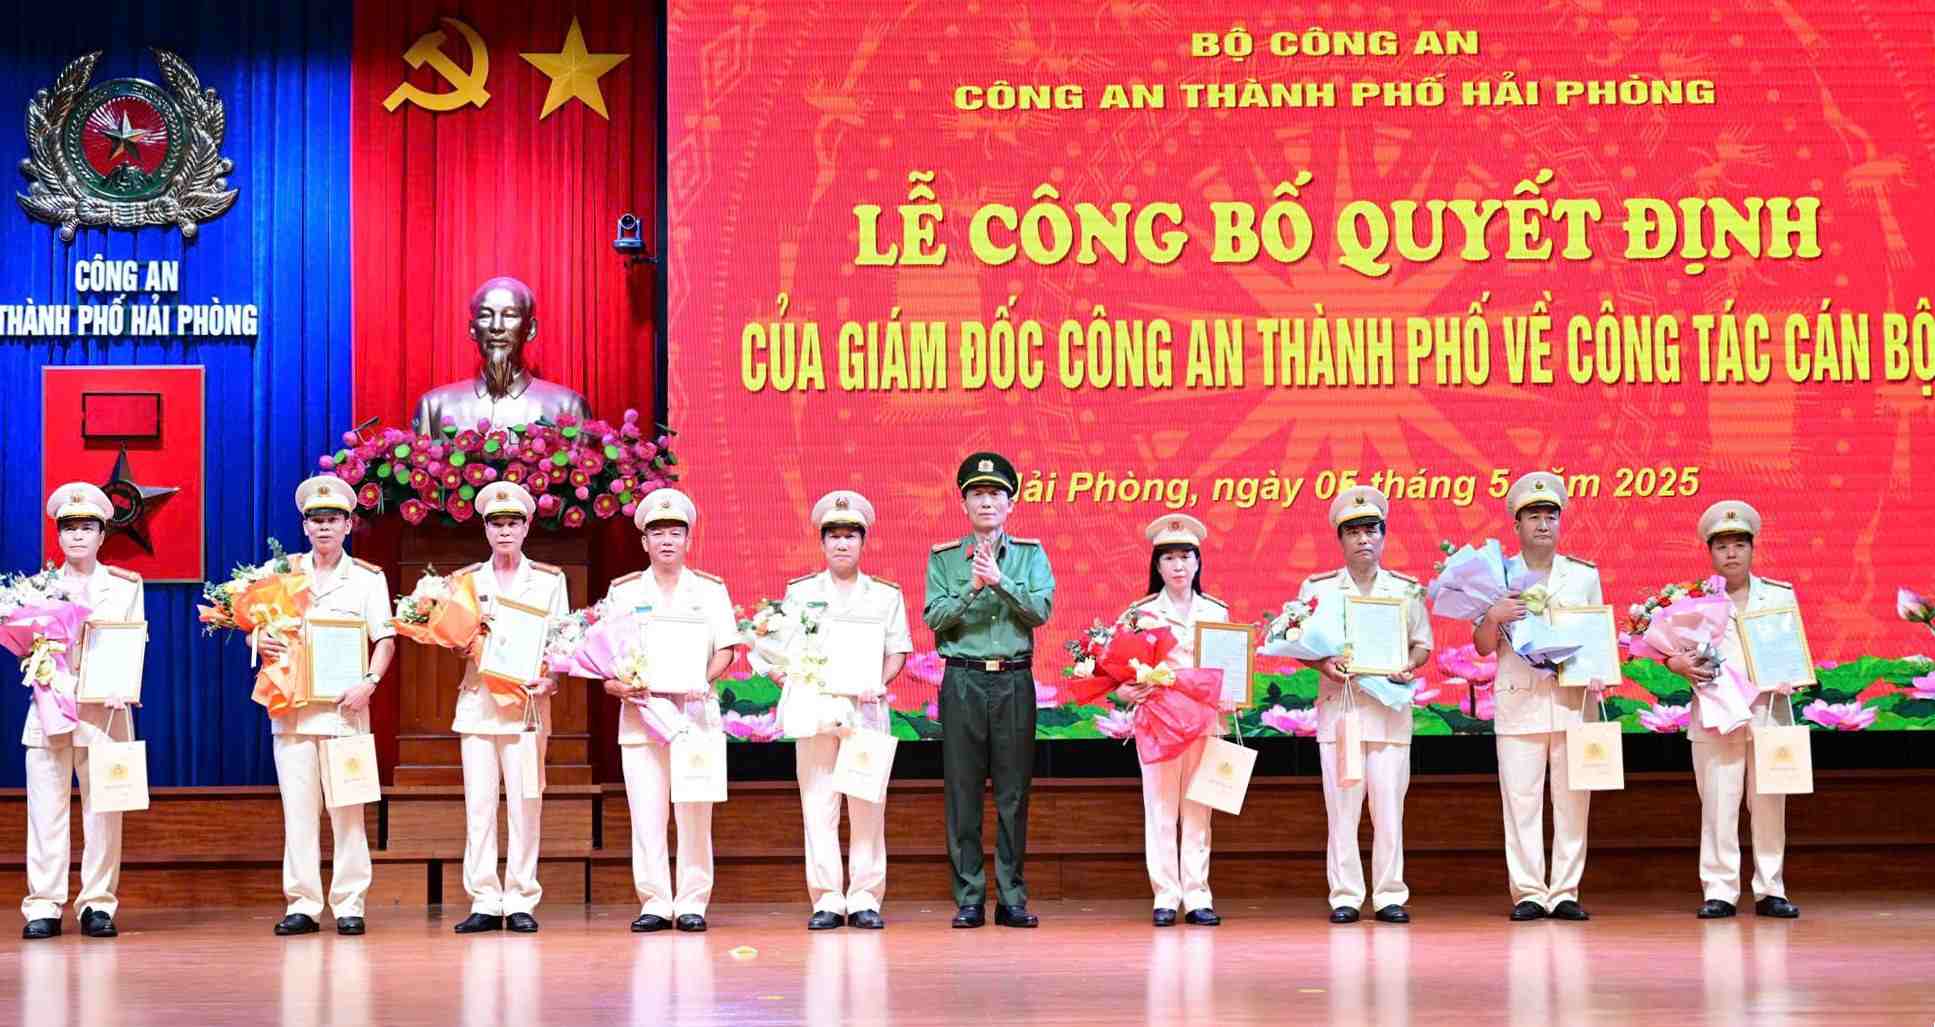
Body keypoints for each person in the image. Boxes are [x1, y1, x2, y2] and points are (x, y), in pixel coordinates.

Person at [753, 490, 913, 930]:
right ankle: (826, 897)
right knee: (818, 803)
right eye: (834, 536)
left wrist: (881, 682)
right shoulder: (800, 592)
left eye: (850, 536)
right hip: (816, 709)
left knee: (867, 804)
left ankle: (864, 898)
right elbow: (773, 646)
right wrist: (781, 675)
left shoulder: (885, 595)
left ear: (863, 542)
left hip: (866, 710)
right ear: (822, 543)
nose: (842, 544)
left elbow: (897, 650)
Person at [258, 475, 396, 936]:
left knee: (348, 811)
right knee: (298, 813)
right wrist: (261, 641)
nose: (324, 527)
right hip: (293, 711)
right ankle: (302, 903)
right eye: (315, 519)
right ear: (304, 525)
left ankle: (350, 903)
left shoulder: (368, 579)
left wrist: (369, 683)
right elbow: (259, 626)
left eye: (333, 519)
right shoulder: (281, 572)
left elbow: (385, 639)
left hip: (345, 712)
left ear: (348, 525)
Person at [923, 452, 1055, 929]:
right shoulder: (944, 558)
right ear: (964, 504)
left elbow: (1040, 611)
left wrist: (1001, 582)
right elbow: (935, 618)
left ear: (1010, 503)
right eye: (977, 494)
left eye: (995, 494)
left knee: (1013, 793)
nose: (986, 502)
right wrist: (973, 588)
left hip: (1014, 680)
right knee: (963, 791)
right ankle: (970, 897)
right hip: (963, 679)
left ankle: (1012, 896)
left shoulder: (1030, 555)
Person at [602, 488, 738, 933]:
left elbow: (726, 649)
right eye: (657, 533)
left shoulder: (710, 590)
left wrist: (703, 679)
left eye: (675, 533)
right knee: (647, 814)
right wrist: (616, 683)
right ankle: (656, 901)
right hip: (642, 717)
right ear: (644, 541)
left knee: (695, 811)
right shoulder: (624, 591)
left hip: (694, 716)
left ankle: (693, 900)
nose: (666, 540)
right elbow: (607, 656)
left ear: (688, 540)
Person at [1295, 485, 1433, 925]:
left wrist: (1410, 665)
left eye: (1371, 530)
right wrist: (1323, 663)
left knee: (1389, 809)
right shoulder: (1318, 589)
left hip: (1390, 712)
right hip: (1342, 711)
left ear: (1383, 536)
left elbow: (1422, 645)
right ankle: (1346, 895)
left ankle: (1389, 894)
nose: (1363, 539)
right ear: (1341, 539)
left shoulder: (1406, 590)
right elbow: (1300, 644)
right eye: (1353, 532)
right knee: (1343, 808)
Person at [1474, 471, 1602, 922]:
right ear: (1517, 524)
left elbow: (1597, 635)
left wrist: (1601, 673)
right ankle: (1528, 891)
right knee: (1521, 801)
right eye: (1533, 516)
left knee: (1573, 801)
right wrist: (1494, 615)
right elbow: (1482, 646)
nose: (1543, 524)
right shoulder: (1498, 575)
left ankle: (1565, 890)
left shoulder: (1583, 575)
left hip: (1572, 701)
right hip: (1519, 700)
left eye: (1551, 516)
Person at [20, 483, 144, 940]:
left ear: (102, 534)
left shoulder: (126, 586)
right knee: (45, 811)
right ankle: (44, 905)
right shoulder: (37, 588)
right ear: (57, 535)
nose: (77, 535)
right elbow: (28, 649)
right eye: (68, 527)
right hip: (50, 709)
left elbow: (134, 640)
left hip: (104, 712)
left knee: (104, 811)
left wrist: (123, 686)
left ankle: (97, 903)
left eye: (87, 527)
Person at [1667, 500, 1800, 920]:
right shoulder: (1693, 601)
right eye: (1722, 546)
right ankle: (1720, 890)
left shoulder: (1778, 595)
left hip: (1767, 712)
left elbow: (1794, 652)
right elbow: (1672, 651)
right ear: (1710, 552)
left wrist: (1792, 675)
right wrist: (1675, 663)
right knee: (1718, 804)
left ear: (1752, 549)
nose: (1731, 553)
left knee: (1769, 802)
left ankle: (1771, 888)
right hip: (1716, 714)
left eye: (1740, 544)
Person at [448, 482, 569, 934]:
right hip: (479, 704)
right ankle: (484, 897)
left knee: (525, 803)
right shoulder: (466, 581)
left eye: (512, 523)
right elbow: (454, 640)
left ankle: (520, 897)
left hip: (526, 706)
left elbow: (560, 642)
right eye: (496, 524)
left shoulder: (550, 580)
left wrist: (552, 679)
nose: (504, 531)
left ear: (526, 527)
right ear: (485, 529)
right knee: (479, 807)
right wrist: (461, 643)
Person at [1117, 513, 1228, 927]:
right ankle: (1165, 895)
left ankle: (1198, 895)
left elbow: (1229, 668)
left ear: (1198, 562)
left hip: (1204, 723)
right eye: (1169, 558)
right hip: (1159, 722)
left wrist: (1234, 694)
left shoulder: (1216, 612)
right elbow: (1115, 670)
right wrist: (1125, 690)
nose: (1178, 566)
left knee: (1199, 809)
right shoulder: (1140, 614)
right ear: (1157, 566)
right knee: (1161, 810)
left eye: (1186, 556)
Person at [410, 275, 591, 433]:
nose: (496, 326)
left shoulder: (568, 407)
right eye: (485, 316)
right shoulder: (434, 407)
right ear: (472, 329)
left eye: (510, 315)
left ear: (530, 329)